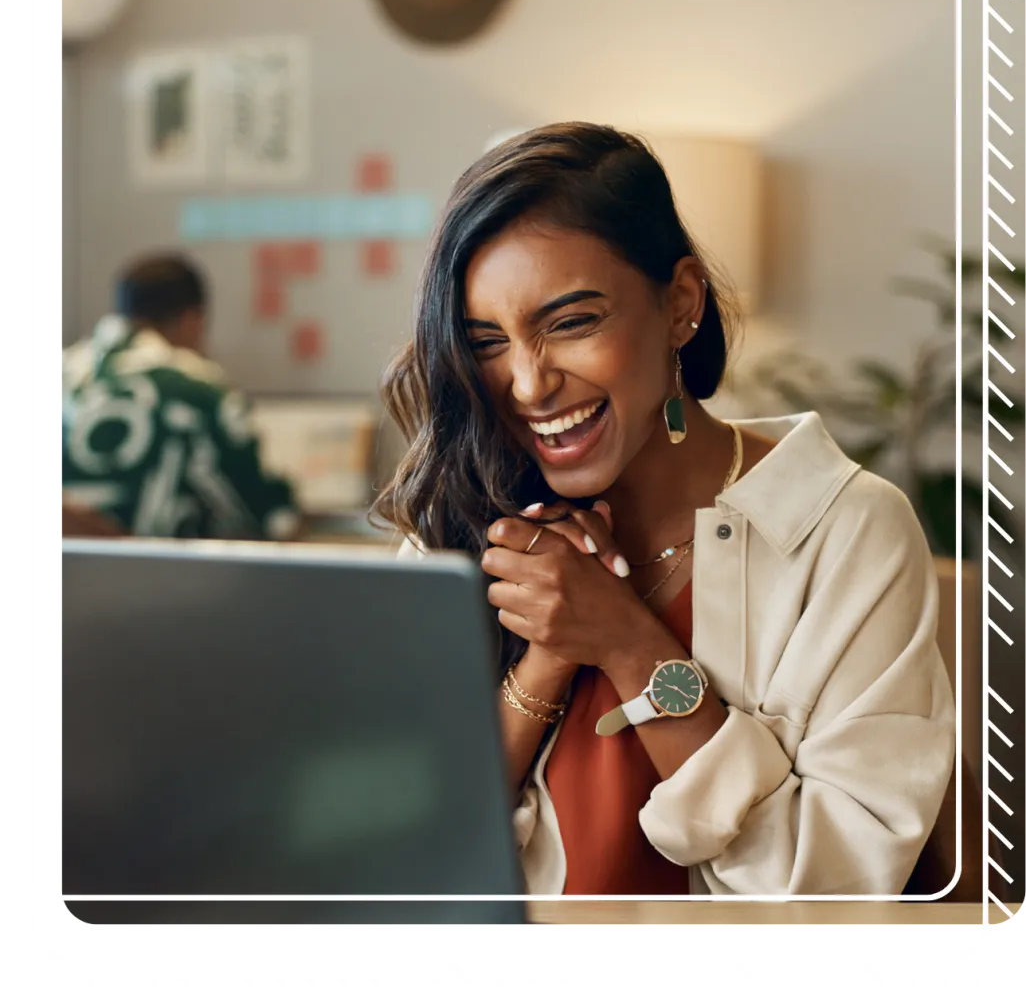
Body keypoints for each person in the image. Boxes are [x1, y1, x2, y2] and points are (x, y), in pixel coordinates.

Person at [375, 123, 955, 896]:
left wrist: (626, 643)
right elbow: (400, 852)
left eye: (571, 322)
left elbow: (836, 890)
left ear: (680, 302)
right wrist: (549, 656)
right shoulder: (464, 511)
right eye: (486, 341)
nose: (527, 384)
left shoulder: (844, 529)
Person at [58, 251, 302, 541]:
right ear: (193, 320)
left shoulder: (64, 374)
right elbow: (270, 517)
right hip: (164, 578)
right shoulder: (200, 389)